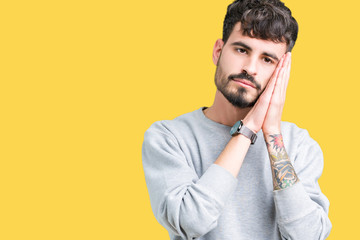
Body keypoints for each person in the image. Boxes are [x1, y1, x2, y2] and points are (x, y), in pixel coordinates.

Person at [142, 0, 332, 239]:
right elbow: (190, 222)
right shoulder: (169, 137)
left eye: (267, 59)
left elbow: (308, 236)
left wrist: (272, 131)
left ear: (281, 71)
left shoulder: (299, 144)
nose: (250, 68)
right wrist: (249, 129)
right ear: (218, 52)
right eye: (242, 50)